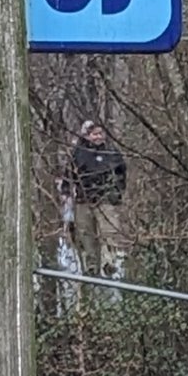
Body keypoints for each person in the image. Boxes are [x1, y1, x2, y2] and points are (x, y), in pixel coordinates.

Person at [63, 119, 127, 282]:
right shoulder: (78, 153)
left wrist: (117, 193)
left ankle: (109, 263)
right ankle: (91, 267)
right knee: (85, 234)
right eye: (94, 134)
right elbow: (68, 176)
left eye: (100, 133)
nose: (98, 137)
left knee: (110, 232)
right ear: (87, 136)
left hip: (106, 199)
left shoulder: (111, 153)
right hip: (83, 200)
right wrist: (67, 194)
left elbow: (121, 174)